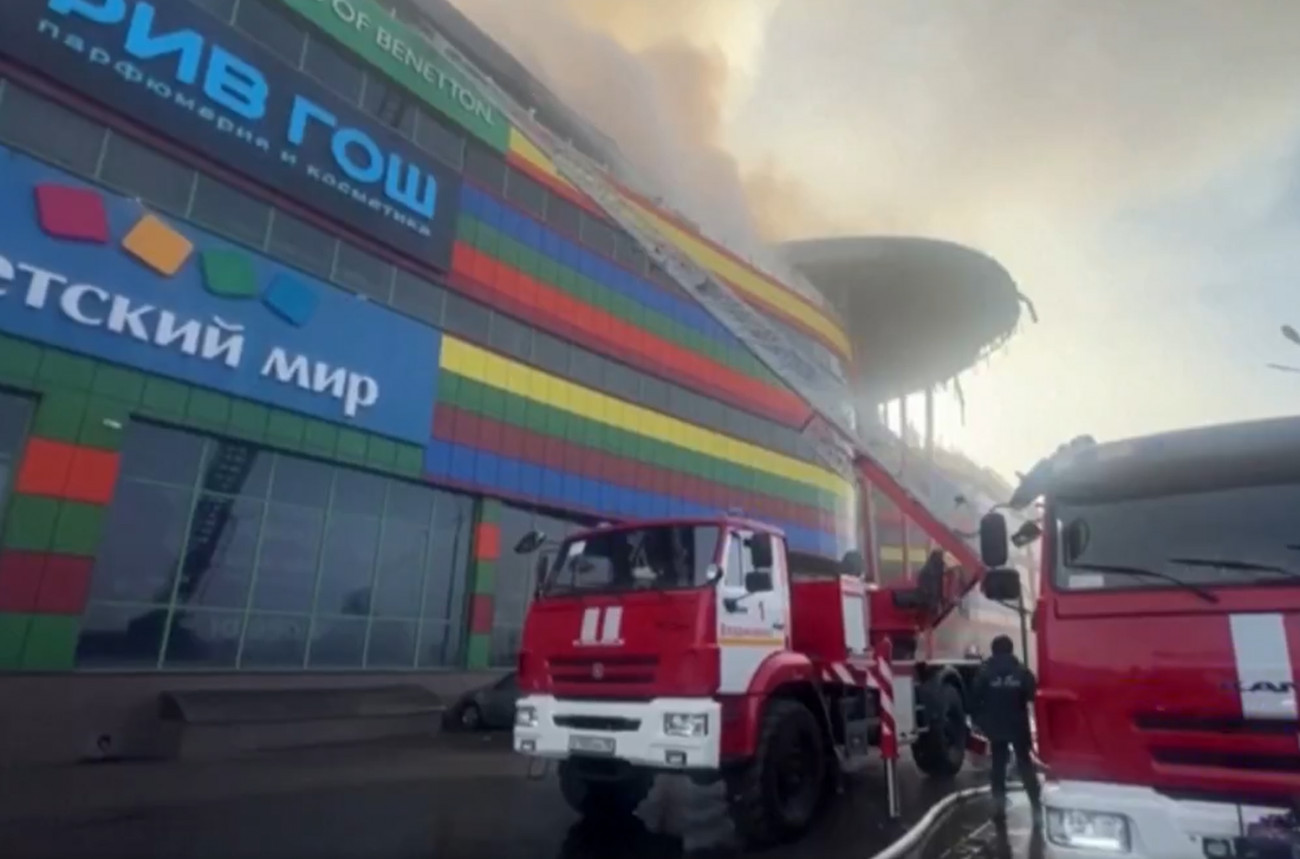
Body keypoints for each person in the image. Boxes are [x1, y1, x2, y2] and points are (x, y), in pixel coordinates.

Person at [972, 634, 1042, 818]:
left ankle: (999, 808)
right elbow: (1034, 695)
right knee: (1025, 764)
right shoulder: (1022, 672)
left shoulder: (985, 672)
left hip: (995, 726)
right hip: (1018, 726)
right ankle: (1036, 807)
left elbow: (974, 698)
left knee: (998, 766)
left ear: (993, 650)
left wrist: (980, 721)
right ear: (1011, 650)